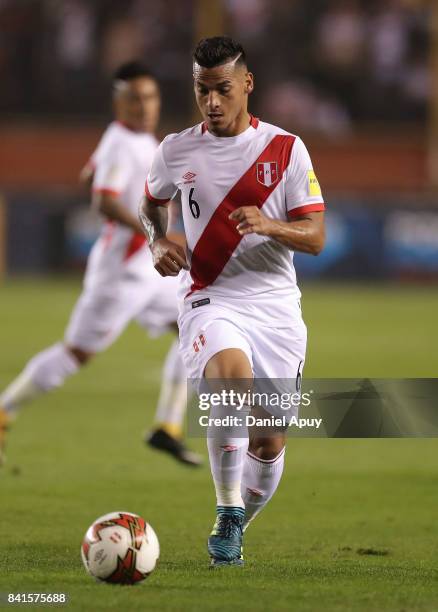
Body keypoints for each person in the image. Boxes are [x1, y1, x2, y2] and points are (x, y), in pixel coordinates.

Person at [138, 36, 326, 566]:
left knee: (268, 442)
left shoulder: (286, 150)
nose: (213, 102)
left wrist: (269, 224)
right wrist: (157, 240)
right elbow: (149, 206)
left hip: (274, 307)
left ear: (247, 84)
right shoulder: (176, 149)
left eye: (223, 89)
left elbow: (315, 238)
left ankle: (240, 514)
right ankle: (226, 512)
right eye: (203, 91)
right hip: (208, 296)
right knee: (229, 377)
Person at [0, 61, 202, 468]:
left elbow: (89, 175)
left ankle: (168, 426)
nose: (143, 106)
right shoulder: (121, 142)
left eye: (149, 97)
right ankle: (4, 411)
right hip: (121, 273)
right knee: (76, 353)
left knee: (194, 324)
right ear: (119, 104)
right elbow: (104, 200)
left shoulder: (137, 141)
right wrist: (154, 235)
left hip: (146, 268)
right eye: (134, 99)